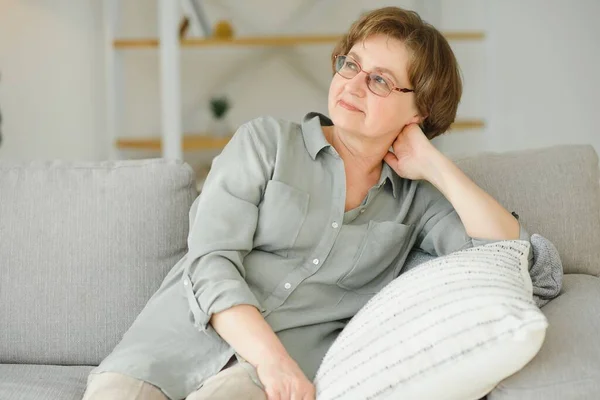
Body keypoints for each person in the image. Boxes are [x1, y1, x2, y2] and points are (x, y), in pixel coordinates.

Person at [82, 6, 531, 400]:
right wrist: (272, 360)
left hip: (271, 381)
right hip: (173, 344)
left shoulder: (418, 203)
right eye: (350, 65)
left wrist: (434, 164)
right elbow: (211, 261)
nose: (353, 85)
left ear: (420, 111)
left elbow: (511, 254)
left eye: (380, 81)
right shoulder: (266, 143)